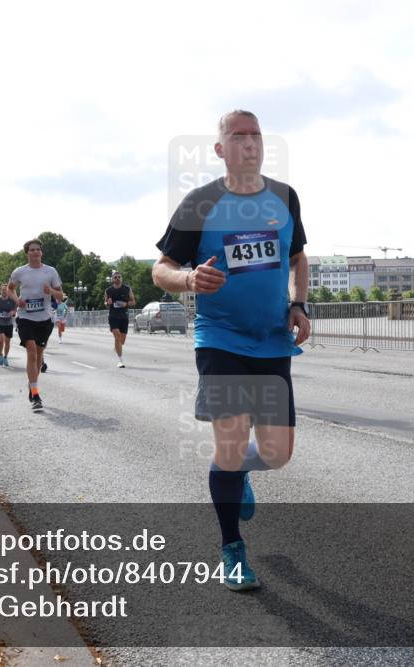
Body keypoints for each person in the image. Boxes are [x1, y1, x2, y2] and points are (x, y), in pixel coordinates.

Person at [152, 110, 310, 591]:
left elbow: (299, 255)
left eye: (255, 135)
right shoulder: (199, 203)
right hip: (219, 338)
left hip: (272, 340)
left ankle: (238, 472)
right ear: (220, 149)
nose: (249, 143)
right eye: (237, 136)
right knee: (231, 442)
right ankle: (232, 549)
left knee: (279, 454)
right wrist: (188, 279)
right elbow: (161, 269)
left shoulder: (285, 197)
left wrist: (300, 303)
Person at [8, 239, 63, 410]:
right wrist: (17, 300)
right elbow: (10, 288)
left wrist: (52, 291)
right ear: (27, 253)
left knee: (39, 356)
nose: (35, 252)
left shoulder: (50, 271)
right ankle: (36, 394)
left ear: (41, 252)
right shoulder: (19, 272)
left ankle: (32, 385)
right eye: (32, 250)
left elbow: (61, 296)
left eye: (38, 249)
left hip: (45, 319)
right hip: (25, 317)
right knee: (31, 353)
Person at [105, 271, 136, 367]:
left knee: (121, 341)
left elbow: (133, 302)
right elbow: (105, 304)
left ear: (121, 278)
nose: (117, 278)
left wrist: (126, 304)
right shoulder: (108, 291)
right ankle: (120, 360)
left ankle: (117, 347)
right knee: (117, 336)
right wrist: (108, 303)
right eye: (115, 277)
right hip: (113, 316)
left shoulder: (127, 289)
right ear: (112, 279)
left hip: (124, 316)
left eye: (119, 277)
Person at [0, 285, 17, 366]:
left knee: (7, 341)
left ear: (8, 291)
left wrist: (12, 312)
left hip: (9, 323)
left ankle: (5, 357)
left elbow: (15, 309)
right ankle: (1, 355)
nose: (4, 291)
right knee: (1, 340)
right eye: (2, 290)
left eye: (5, 290)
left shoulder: (12, 301)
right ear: (1, 291)